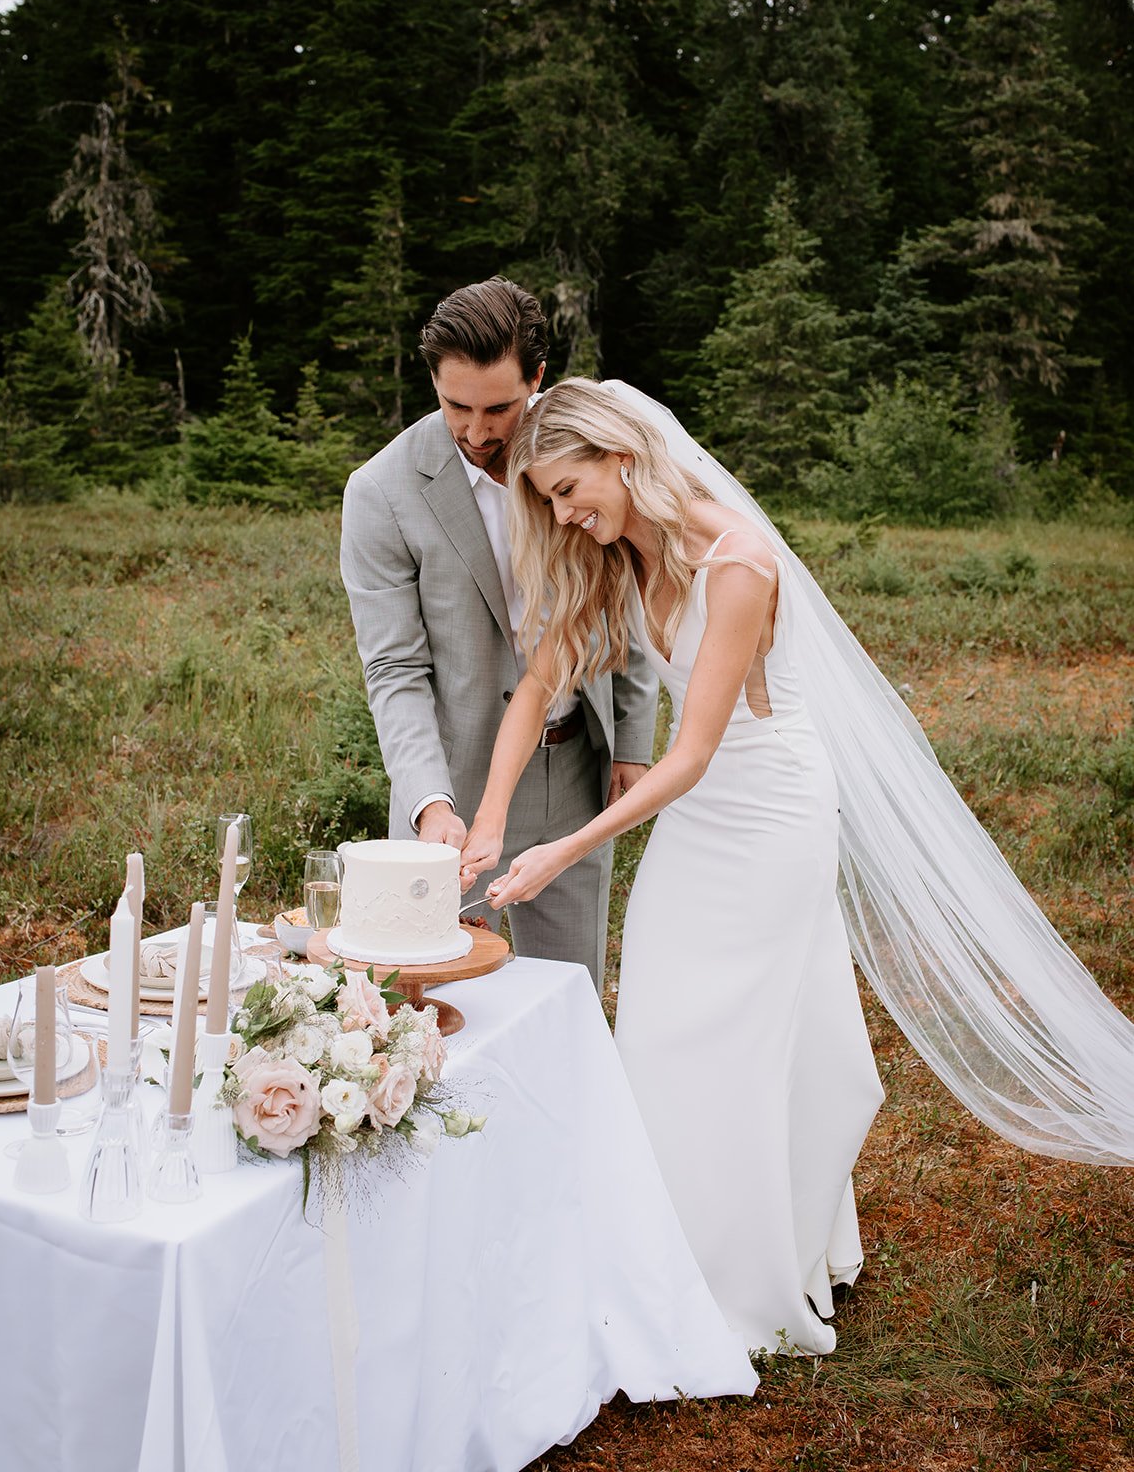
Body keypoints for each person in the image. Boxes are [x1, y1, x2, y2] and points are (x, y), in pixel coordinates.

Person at [461, 376, 1134, 1354]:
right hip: (699, 824)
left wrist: (561, 847)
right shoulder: (614, 554)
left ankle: (737, 1285)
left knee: (729, 1044)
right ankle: (707, 1246)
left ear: (620, 454)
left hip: (769, 820)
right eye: (551, 502)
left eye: (570, 488)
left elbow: (690, 753)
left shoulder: (738, 560)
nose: (565, 513)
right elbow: (536, 689)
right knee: (658, 1027)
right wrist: (490, 823)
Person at [339, 282, 657, 990]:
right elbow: (394, 667)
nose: (477, 432)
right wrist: (430, 800)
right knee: (433, 1012)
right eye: (456, 406)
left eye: (498, 409)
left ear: (537, 379)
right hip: (452, 792)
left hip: (575, 769)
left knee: (569, 996)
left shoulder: (586, 452)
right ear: (432, 383)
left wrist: (631, 738)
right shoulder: (380, 491)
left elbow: (628, 587)